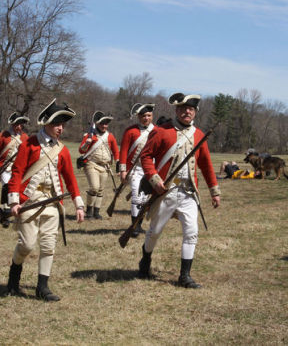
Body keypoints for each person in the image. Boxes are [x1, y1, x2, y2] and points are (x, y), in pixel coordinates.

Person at [138, 93, 220, 288]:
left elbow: (206, 165)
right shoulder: (161, 131)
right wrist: (154, 178)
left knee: (191, 232)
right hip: (166, 190)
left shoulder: (199, 135)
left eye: (190, 109)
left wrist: (214, 191)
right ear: (176, 110)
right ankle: (146, 259)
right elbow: (146, 156)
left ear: (195, 112)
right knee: (155, 232)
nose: (187, 112)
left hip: (188, 191)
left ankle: (185, 276)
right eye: (183, 109)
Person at [6, 99, 84, 302]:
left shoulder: (63, 150)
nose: (61, 128)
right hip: (29, 202)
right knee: (27, 245)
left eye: (62, 125)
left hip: (52, 202)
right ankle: (14, 275)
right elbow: (17, 172)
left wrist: (78, 204)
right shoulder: (29, 144)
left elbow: (70, 179)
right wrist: (14, 201)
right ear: (47, 124)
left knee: (49, 246)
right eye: (57, 124)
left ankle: (42, 287)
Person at [119, 103, 156, 236]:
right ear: (139, 117)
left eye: (149, 115)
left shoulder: (156, 131)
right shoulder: (131, 131)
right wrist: (123, 170)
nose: (146, 118)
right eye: (143, 116)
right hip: (134, 169)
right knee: (136, 195)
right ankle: (133, 226)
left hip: (149, 169)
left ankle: (138, 224)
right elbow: (123, 151)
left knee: (145, 198)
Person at [0, 112, 29, 227]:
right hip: (4, 167)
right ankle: (6, 213)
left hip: (18, 168)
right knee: (7, 187)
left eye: (21, 125)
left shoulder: (25, 137)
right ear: (12, 124)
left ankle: (7, 211)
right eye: (17, 124)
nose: (19, 127)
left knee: (17, 189)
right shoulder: (3, 135)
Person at [78, 110, 119, 220]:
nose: (104, 126)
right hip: (92, 164)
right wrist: (87, 142)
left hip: (105, 166)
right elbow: (81, 151)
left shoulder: (110, 136)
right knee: (94, 187)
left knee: (101, 189)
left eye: (106, 123)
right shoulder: (90, 135)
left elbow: (115, 151)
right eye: (102, 123)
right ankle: (89, 211)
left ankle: (97, 212)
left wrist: (118, 163)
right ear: (97, 124)